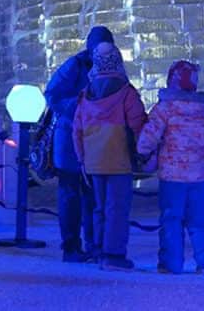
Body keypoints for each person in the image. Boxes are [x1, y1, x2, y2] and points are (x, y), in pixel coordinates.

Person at [136, 60, 204, 275]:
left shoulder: (165, 108)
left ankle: (171, 263)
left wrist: (142, 152)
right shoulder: (203, 111)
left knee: (171, 220)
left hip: (172, 176)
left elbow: (149, 136)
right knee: (200, 220)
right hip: (199, 176)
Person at [72, 41, 146, 271]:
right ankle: (114, 255)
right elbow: (138, 124)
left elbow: (77, 130)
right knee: (117, 208)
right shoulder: (126, 93)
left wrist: (82, 159)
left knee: (100, 208)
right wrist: (143, 152)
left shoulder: (85, 95)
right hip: (119, 158)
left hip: (94, 160)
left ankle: (98, 249)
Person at [44, 25, 113, 262]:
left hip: (95, 139)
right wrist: (83, 105)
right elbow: (52, 95)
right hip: (70, 140)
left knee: (92, 195)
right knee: (72, 194)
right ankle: (71, 247)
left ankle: (93, 245)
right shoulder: (75, 65)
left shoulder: (109, 66)